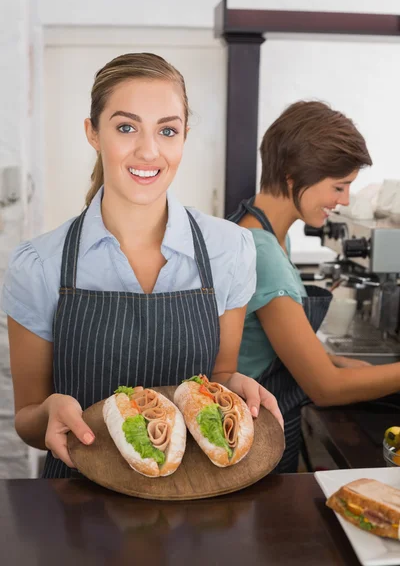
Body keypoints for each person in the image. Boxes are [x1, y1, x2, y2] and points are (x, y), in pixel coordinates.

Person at [1, 52, 283, 479]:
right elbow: (26, 417)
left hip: (197, 497)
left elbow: (219, 373)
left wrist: (234, 385)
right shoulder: (39, 265)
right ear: (93, 133)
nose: (149, 151)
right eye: (126, 127)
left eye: (167, 130)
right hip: (75, 506)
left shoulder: (230, 250)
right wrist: (48, 414)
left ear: (184, 136)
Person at [229, 100, 400, 473]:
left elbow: (260, 344)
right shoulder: (262, 252)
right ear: (293, 174)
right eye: (339, 186)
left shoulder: (255, 226)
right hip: (258, 442)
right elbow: (325, 388)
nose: (345, 201)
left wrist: (335, 360)